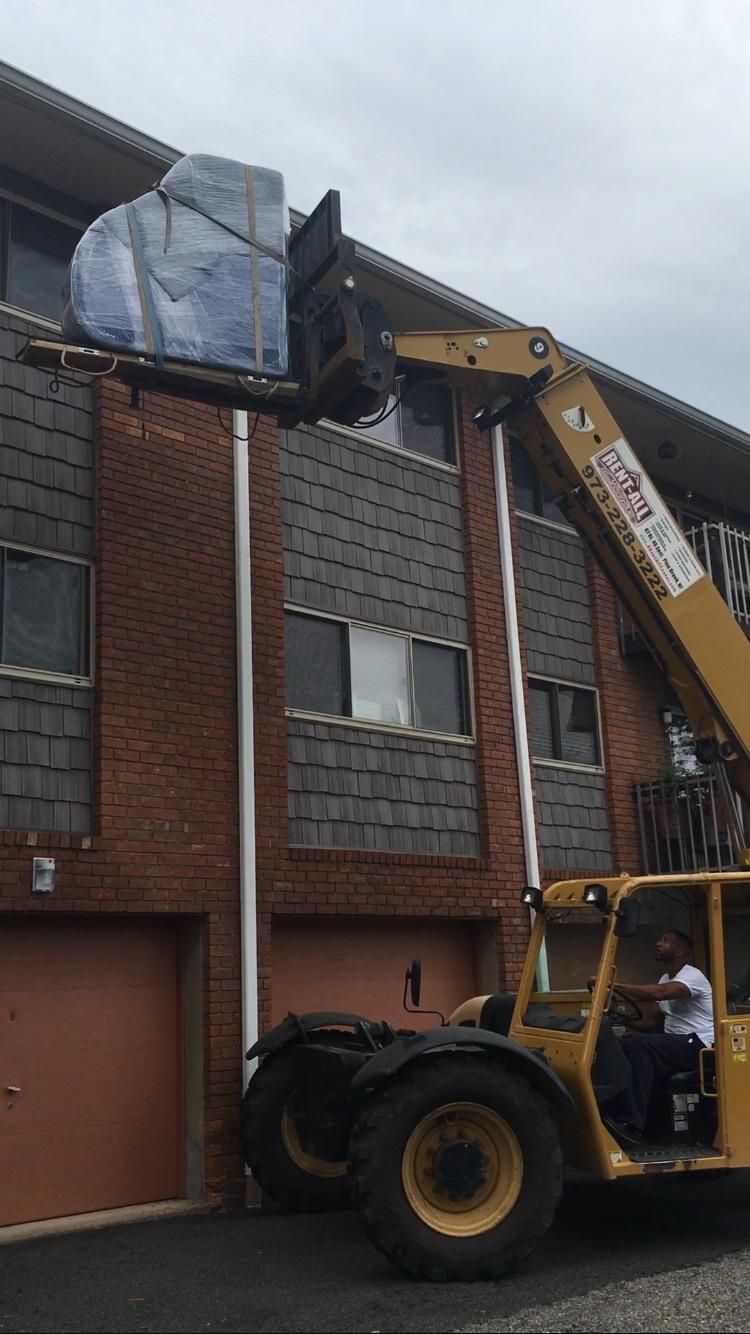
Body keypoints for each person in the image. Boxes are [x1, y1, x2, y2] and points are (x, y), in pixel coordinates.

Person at [595, 927, 714, 1146]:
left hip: (698, 1045)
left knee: (642, 1046)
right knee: (621, 1045)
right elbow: (653, 1023)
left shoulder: (692, 976)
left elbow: (659, 994)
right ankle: (611, 1114)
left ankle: (631, 1124)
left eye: (665, 941)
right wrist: (622, 1020)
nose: (658, 944)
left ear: (679, 951)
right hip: (676, 1044)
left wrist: (613, 985)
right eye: (660, 939)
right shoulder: (665, 978)